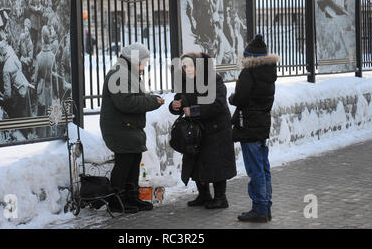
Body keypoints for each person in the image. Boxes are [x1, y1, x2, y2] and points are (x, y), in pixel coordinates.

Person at [100, 43, 165, 213]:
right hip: (120, 128)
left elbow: (133, 97)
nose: (144, 66)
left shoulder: (128, 73)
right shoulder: (120, 74)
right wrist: (152, 101)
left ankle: (131, 197)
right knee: (125, 162)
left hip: (128, 128)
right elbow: (126, 102)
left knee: (134, 160)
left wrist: (151, 99)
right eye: (143, 62)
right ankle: (117, 200)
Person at [169, 52, 236, 209]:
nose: (188, 69)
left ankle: (221, 198)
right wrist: (174, 106)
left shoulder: (213, 79)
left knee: (216, 163)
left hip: (216, 129)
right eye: (185, 67)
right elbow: (179, 100)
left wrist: (194, 111)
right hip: (197, 130)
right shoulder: (185, 81)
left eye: (191, 66)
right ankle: (204, 194)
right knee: (197, 162)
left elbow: (217, 104)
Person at [228, 34, 279, 223]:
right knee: (263, 167)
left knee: (255, 168)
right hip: (262, 124)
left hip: (249, 125)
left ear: (249, 56)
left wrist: (232, 98)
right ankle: (266, 207)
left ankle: (259, 208)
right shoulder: (268, 72)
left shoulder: (249, 73)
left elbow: (240, 99)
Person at [33, 25, 57, 135]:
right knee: (51, 112)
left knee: (41, 112)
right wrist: (56, 92)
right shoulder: (52, 56)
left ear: (42, 39)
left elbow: (36, 76)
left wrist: (34, 86)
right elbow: (55, 76)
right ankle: (51, 133)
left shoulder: (39, 57)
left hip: (41, 88)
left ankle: (41, 135)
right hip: (50, 88)